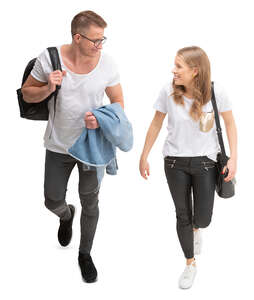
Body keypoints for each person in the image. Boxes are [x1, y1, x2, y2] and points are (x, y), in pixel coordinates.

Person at [22, 10, 124, 283]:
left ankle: (85, 254)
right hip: (58, 145)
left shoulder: (107, 64)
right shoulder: (50, 58)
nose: (100, 45)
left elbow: (118, 105)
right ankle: (66, 215)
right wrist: (48, 88)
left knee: (91, 201)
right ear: (77, 38)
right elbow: (27, 92)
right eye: (95, 40)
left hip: (90, 146)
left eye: (103, 39)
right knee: (52, 199)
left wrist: (101, 122)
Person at [139, 46, 237, 289]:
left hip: (206, 163)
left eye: (178, 66)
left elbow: (231, 124)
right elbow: (155, 124)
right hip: (174, 162)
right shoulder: (168, 91)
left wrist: (234, 158)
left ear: (195, 71)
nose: (173, 70)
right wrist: (144, 155)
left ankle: (197, 228)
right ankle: (190, 263)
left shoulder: (216, 92)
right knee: (182, 214)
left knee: (202, 218)